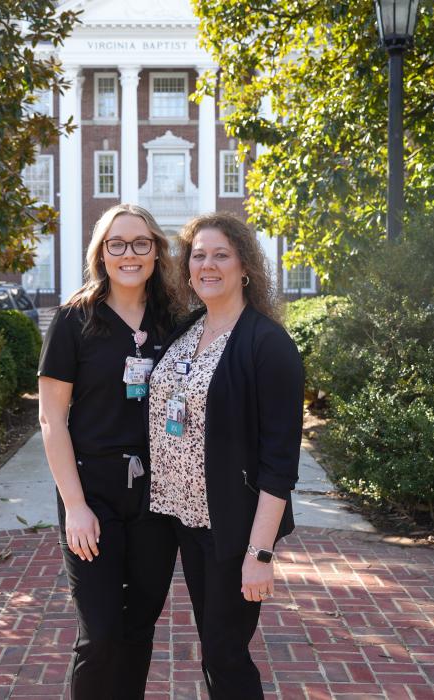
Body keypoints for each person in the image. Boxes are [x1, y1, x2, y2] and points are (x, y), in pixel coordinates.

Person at [148, 212, 304, 700]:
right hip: (182, 519)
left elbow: (280, 463)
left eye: (221, 255)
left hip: (231, 529)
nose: (207, 265)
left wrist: (259, 553)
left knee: (225, 652)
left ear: (245, 267)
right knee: (214, 645)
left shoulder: (268, 344)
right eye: (198, 256)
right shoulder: (187, 331)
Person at [38, 204, 178, 700]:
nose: (129, 254)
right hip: (91, 490)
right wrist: (75, 507)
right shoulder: (75, 320)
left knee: (139, 628)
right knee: (99, 633)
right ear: (101, 253)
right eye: (116, 244)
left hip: (158, 496)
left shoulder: (175, 321)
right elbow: (51, 419)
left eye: (141, 243)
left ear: (157, 251)